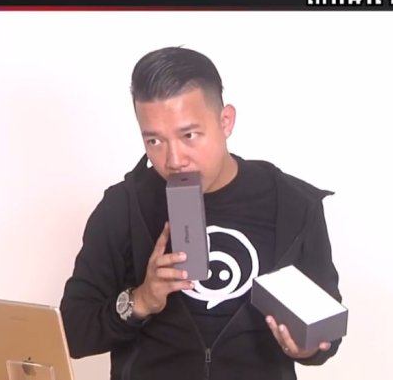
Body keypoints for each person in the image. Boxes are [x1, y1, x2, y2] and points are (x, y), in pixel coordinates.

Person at [60, 46, 343, 380]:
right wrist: (141, 301)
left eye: (189, 135)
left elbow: (327, 333)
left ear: (226, 121)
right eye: (154, 141)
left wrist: (307, 349)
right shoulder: (123, 206)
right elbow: (72, 332)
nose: (174, 160)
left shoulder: (294, 204)